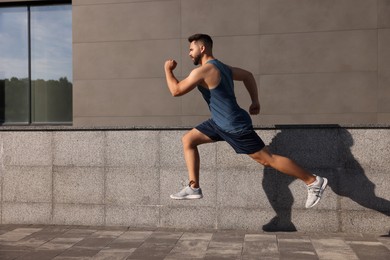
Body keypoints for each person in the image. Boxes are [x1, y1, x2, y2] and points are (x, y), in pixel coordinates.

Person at [164, 33, 327, 208]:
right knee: (188, 140)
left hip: (233, 125)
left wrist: (168, 69)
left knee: (267, 159)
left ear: (202, 48)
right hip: (219, 122)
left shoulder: (203, 71)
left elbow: (176, 90)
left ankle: (313, 181)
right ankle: (194, 187)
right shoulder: (222, 67)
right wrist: (255, 101)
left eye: (191, 49)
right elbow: (248, 75)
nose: (189, 53)